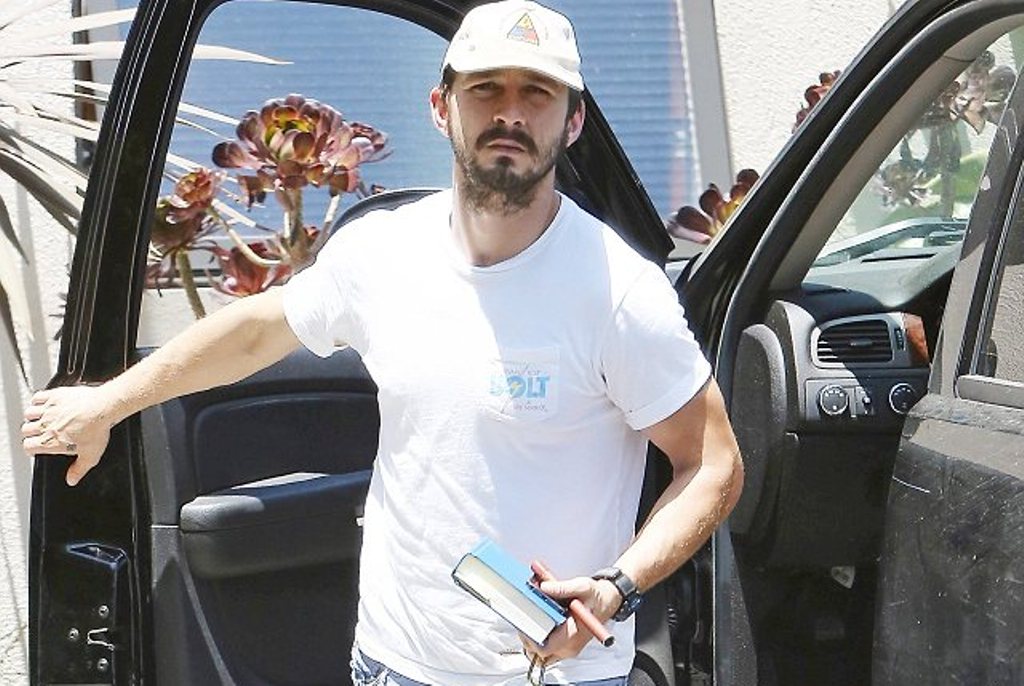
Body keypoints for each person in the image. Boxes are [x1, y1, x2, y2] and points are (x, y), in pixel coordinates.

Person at [22, 1, 743, 684]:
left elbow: (713, 465)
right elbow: (256, 332)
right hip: (390, 661)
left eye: (537, 93)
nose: (510, 113)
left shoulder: (617, 290)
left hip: (550, 672)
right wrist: (109, 402)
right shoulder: (384, 253)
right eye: (485, 88)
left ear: (573, 120)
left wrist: (617, 586)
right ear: (441, 107)